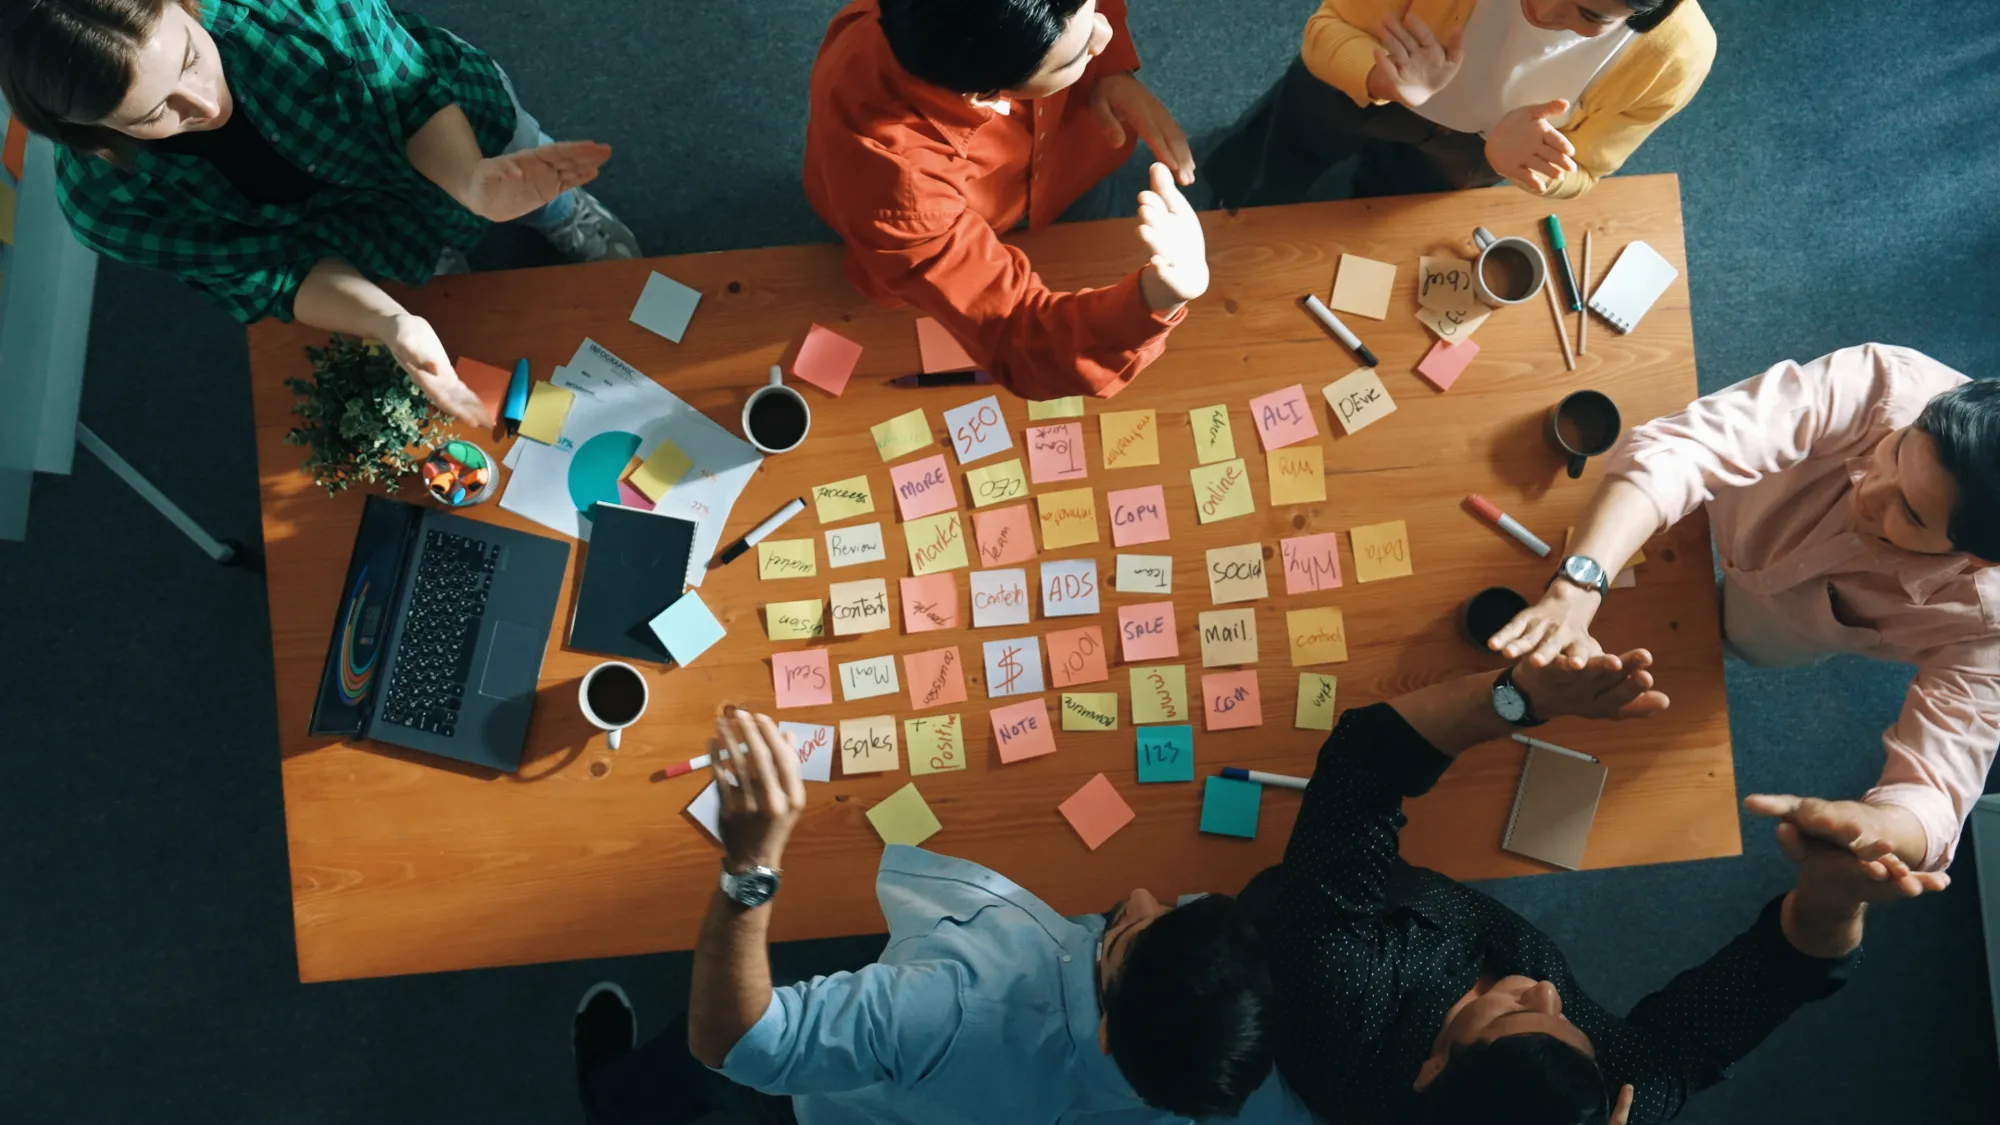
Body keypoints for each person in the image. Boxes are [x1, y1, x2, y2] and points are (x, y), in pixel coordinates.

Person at [1255, 649, 1947, 1125]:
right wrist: (1833, 899)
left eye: (1507, 1012)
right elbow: (1775, 979)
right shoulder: (1608, 1097)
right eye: (1564, 1022)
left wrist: (1515, 697)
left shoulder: (1337, 979)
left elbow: (1360, 767)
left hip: (1285, 917)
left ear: (1432, 1067)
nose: (1544, 987)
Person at [570, 707, 1320, 1125]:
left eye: (1125, 934)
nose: (1143, 898)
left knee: (705, 1067)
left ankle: (616, 1098)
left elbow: (738, 1040)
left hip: (844, 1090)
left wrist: (750, 865)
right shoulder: (1237, 1086)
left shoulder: (958, 1005)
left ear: (1104, 1025)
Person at [0, 0, 642, 426]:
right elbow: (272, 275)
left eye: (191, 58)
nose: (203, 104)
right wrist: (389, 320)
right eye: (153, 115)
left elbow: (413, 95)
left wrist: (471, 181)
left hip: (452, 130)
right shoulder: (105, 204)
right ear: (92, 135)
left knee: (526, 178)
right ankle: (437, 258)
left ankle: (562, 215)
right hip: (344, 228)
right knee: (431, 278)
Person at [1490, 344, 2000, 875]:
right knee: (1663, 510)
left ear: (1978, 557)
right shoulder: (1887, 386)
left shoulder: (1989, 623)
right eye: (1896, 451)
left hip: (1782, 626)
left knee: (1734, 640)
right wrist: (1579, 586)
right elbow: (1686, 450)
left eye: (1910, 514)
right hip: (1726, 501)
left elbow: (1939, 789)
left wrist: (1888, 827)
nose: (1870, 490)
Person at [804, 0, 1209, 400]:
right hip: (940, 227)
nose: (1106, 34)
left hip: (1066, 168)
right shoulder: (899, 192)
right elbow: (1016, 335)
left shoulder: (968, 40)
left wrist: (1109, 69)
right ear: (985, 96)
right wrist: (1156, 299)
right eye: (1073, 59)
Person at [1205, 0, 1714, 207]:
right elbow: (1323, 32)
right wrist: (1383, 78)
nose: (1546, 10)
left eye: (1590, 14)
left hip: (1467, 152)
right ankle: (1225, 202)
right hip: (1352, 94)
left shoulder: (1675, 57)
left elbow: (1585, 172)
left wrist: (1522, 164)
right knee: (1271, 159)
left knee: (1386, 209)